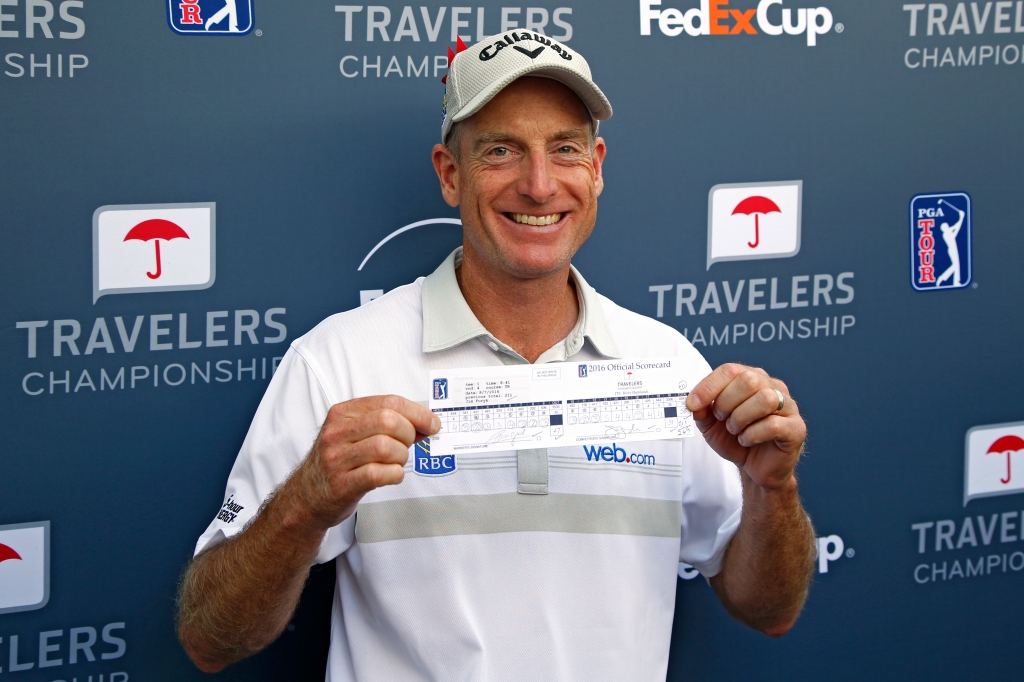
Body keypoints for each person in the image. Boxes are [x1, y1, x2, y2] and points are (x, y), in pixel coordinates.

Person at [176, 32, 815, 681]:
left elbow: (770, 610)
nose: (539, 186)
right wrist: (303, 504)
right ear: (450, 174)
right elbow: (210, 638)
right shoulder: (336, 362)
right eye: (501, 151)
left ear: (596, 166)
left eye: (564, 149)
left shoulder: (670, 365)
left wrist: (773, 487)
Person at [935, 198, 965, 287]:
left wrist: (961, 218)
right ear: (944, 228)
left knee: (956, 265)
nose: (948, 226)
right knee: (955, 265)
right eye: (946, 226)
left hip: (953, 248)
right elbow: (956, 229)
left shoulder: (948, 232)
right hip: (952, 250)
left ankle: (955, 282)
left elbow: (955, 227)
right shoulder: (946, 234)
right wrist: (961, 218)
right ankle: (942, 277)